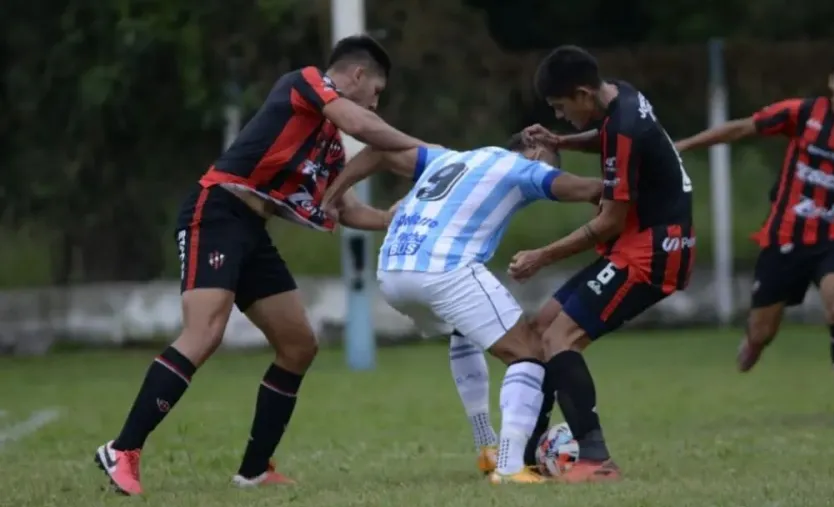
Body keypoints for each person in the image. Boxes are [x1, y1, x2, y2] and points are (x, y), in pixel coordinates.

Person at [93, 35, 425, 496]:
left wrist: (389, 219)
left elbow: (343, 209)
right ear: (357, 76)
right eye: (376, 92)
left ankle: (254, 470)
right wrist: (427, 152)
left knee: (298, 345)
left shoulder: (328, 143)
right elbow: (365, 129)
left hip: (252, 231)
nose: (375, 102)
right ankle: (122, 450)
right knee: (205, 332)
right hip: (216, 211)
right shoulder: (306, 83)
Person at [320, 134, 605, 484]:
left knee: (462, 328)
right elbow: (577, 187)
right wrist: (624, 186)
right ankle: (510, 465)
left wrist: (331, 196)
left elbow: (379, 149)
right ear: (533, 150)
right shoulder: (519, 166)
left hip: (392, 272)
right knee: (529, 352)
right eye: (548, 162)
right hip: (443, 268)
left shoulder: (448, 157)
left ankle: (486, 443)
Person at [674, 47, 834, 425]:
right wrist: (682, 146)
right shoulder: (803, 114)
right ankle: (754, 341)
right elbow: (743, 127)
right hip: (782, 239)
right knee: (762, 331)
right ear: (830, 83)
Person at [508, 45, 695, 483]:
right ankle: (529, 452)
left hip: (653, 250)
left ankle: (596, 460)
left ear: (582, 94)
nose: (561, 117)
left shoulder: (626, 122)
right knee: (542, 327)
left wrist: (542, 255)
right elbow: (610, 140)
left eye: (560, 108)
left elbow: (609, 220)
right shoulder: (622, 97)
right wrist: (561, 142)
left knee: (561, 337)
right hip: (638, 241)